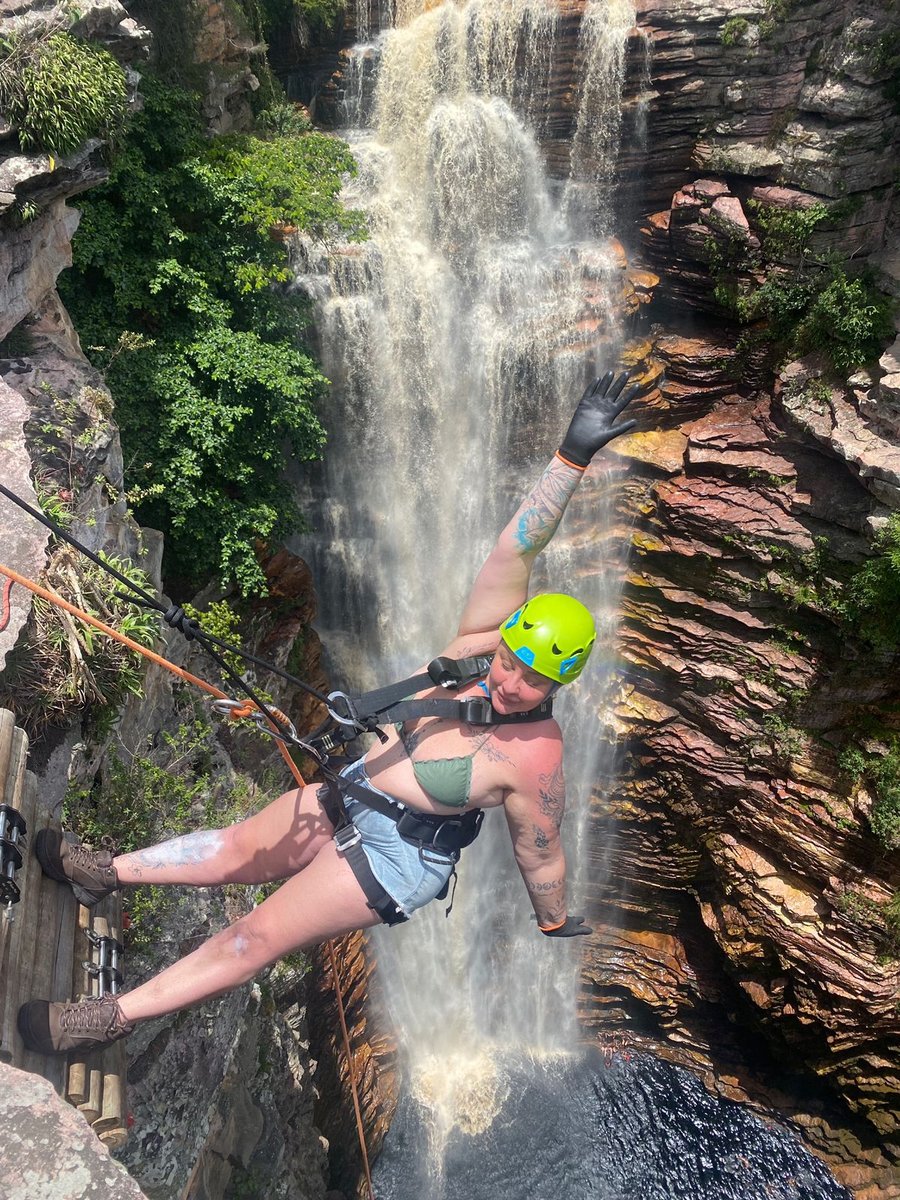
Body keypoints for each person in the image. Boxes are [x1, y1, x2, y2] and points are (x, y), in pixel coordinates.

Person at [18, 368, 639, 1056]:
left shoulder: (537, 754)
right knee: (229, 849)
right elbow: (518, 544)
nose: (508, 679)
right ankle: (101, 872)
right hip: (353, 791)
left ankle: (107, 1021)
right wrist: (571, 456)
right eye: (509, 660)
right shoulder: (478, 643)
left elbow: (540, 850)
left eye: (529, 678)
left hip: (399, 857)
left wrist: (553, 920)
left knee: (253, 936)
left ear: (560, 684)